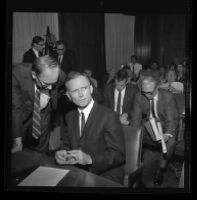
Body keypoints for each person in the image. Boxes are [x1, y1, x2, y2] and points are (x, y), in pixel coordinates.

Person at [55, 71, 125, 184]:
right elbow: (67, 143)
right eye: (75, 91)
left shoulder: (109, 116)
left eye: (84, 88)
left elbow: (118, 155)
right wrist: (63, 153)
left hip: (106, 175)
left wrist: (90, 159)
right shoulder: (69, 115)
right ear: (68, 96)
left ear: (91, 89)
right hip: (79, 171)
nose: (81, 94)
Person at [130, 70, 179, 185]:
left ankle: (161, 169)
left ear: (157, 88)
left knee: (171, 142)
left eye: (150, 92)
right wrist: (134, 136)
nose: (147, 95)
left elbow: (171, 120)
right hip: (148, 124)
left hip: (164, 124)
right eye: (144, 92)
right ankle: (136, 168)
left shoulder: (168, 97)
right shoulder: (139, 96)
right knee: (134, 137)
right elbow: (136, 120)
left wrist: (166, 135)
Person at [12, 56, 66, 154]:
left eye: (52, 84)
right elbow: (16, 109)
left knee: (41, 150)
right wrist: (17, 142)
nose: (50, 88)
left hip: (44, 113)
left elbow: (62, 84)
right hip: (23, 114)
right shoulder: (16, 74)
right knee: (20, 154)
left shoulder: (59, 74)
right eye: (46, 84)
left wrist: (47, 92)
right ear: (34, 75)